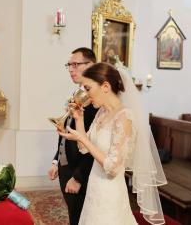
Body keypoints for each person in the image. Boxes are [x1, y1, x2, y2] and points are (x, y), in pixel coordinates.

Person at [59, 62, 166, 225]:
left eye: (88, 89)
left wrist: (83, 139)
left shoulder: (124, 118)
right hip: (94, 188)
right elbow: (83, 148)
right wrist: (79, 119)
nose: (85, 95)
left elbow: (113, 168)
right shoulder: (102, 113)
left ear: (106, 86)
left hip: (110, 192)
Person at [47, 47, 98, 225]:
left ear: (91, 65)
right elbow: (66, 128)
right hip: (65, 165)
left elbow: (95, 144)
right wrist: (56, 161)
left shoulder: (97, 100)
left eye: (75, 64)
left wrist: (78, 177)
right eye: (68, 65)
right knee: (73, 214)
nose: (70, 69)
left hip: (80, 170)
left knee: (81, 217)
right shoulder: (78, 93)